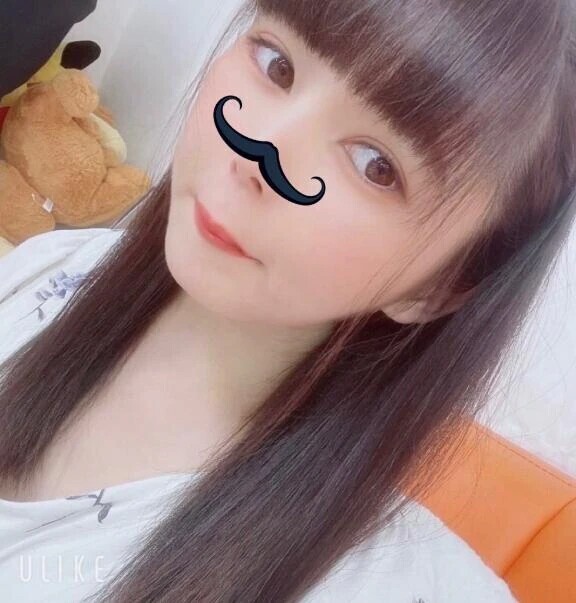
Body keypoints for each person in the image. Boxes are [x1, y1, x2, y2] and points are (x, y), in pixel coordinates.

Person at [0, 0, 574, 601]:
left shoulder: (391, 587)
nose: (257, 152)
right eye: (278, 65)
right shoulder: (59, 265)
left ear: (438, 287)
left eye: (375, 166)